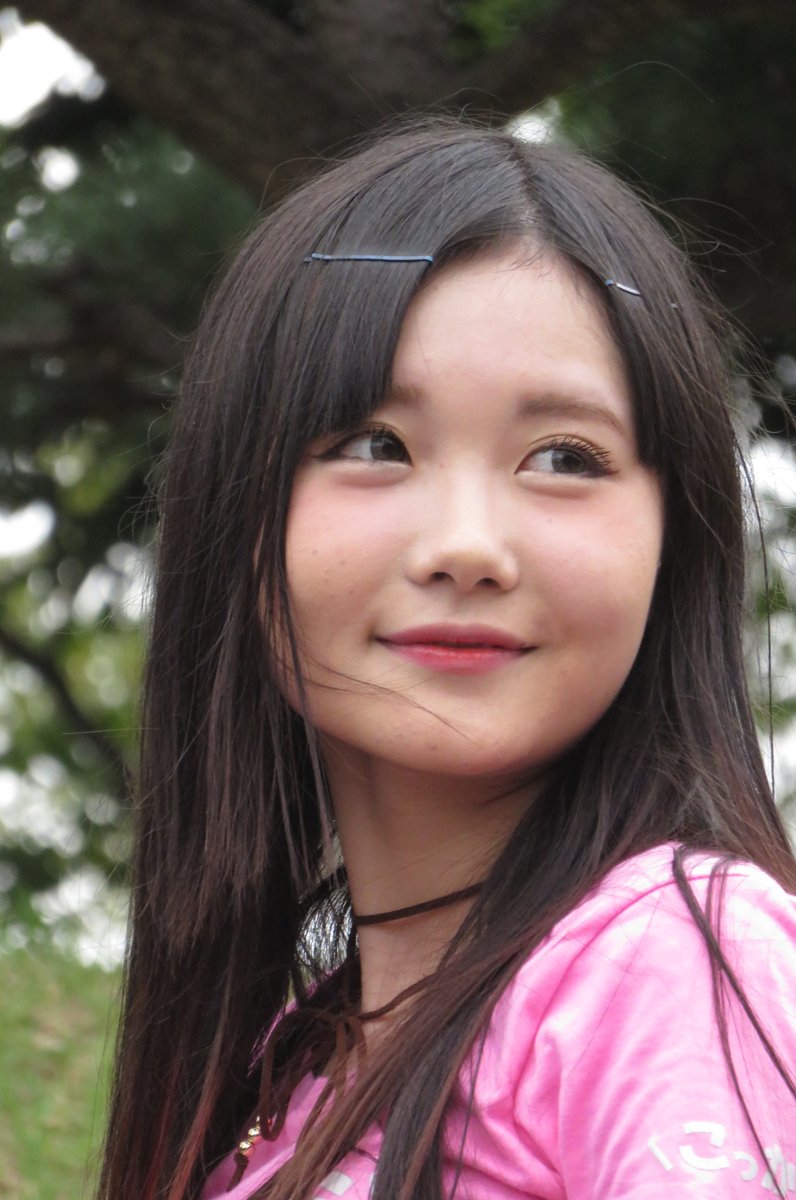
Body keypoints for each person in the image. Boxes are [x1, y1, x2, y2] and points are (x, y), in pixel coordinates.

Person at [96, 119, 796, 1200]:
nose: (467, 546)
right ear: (234, 519)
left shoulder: (674, 957)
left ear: (677, 536)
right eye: (375, 445)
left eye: (564, 457)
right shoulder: (288, 1063)